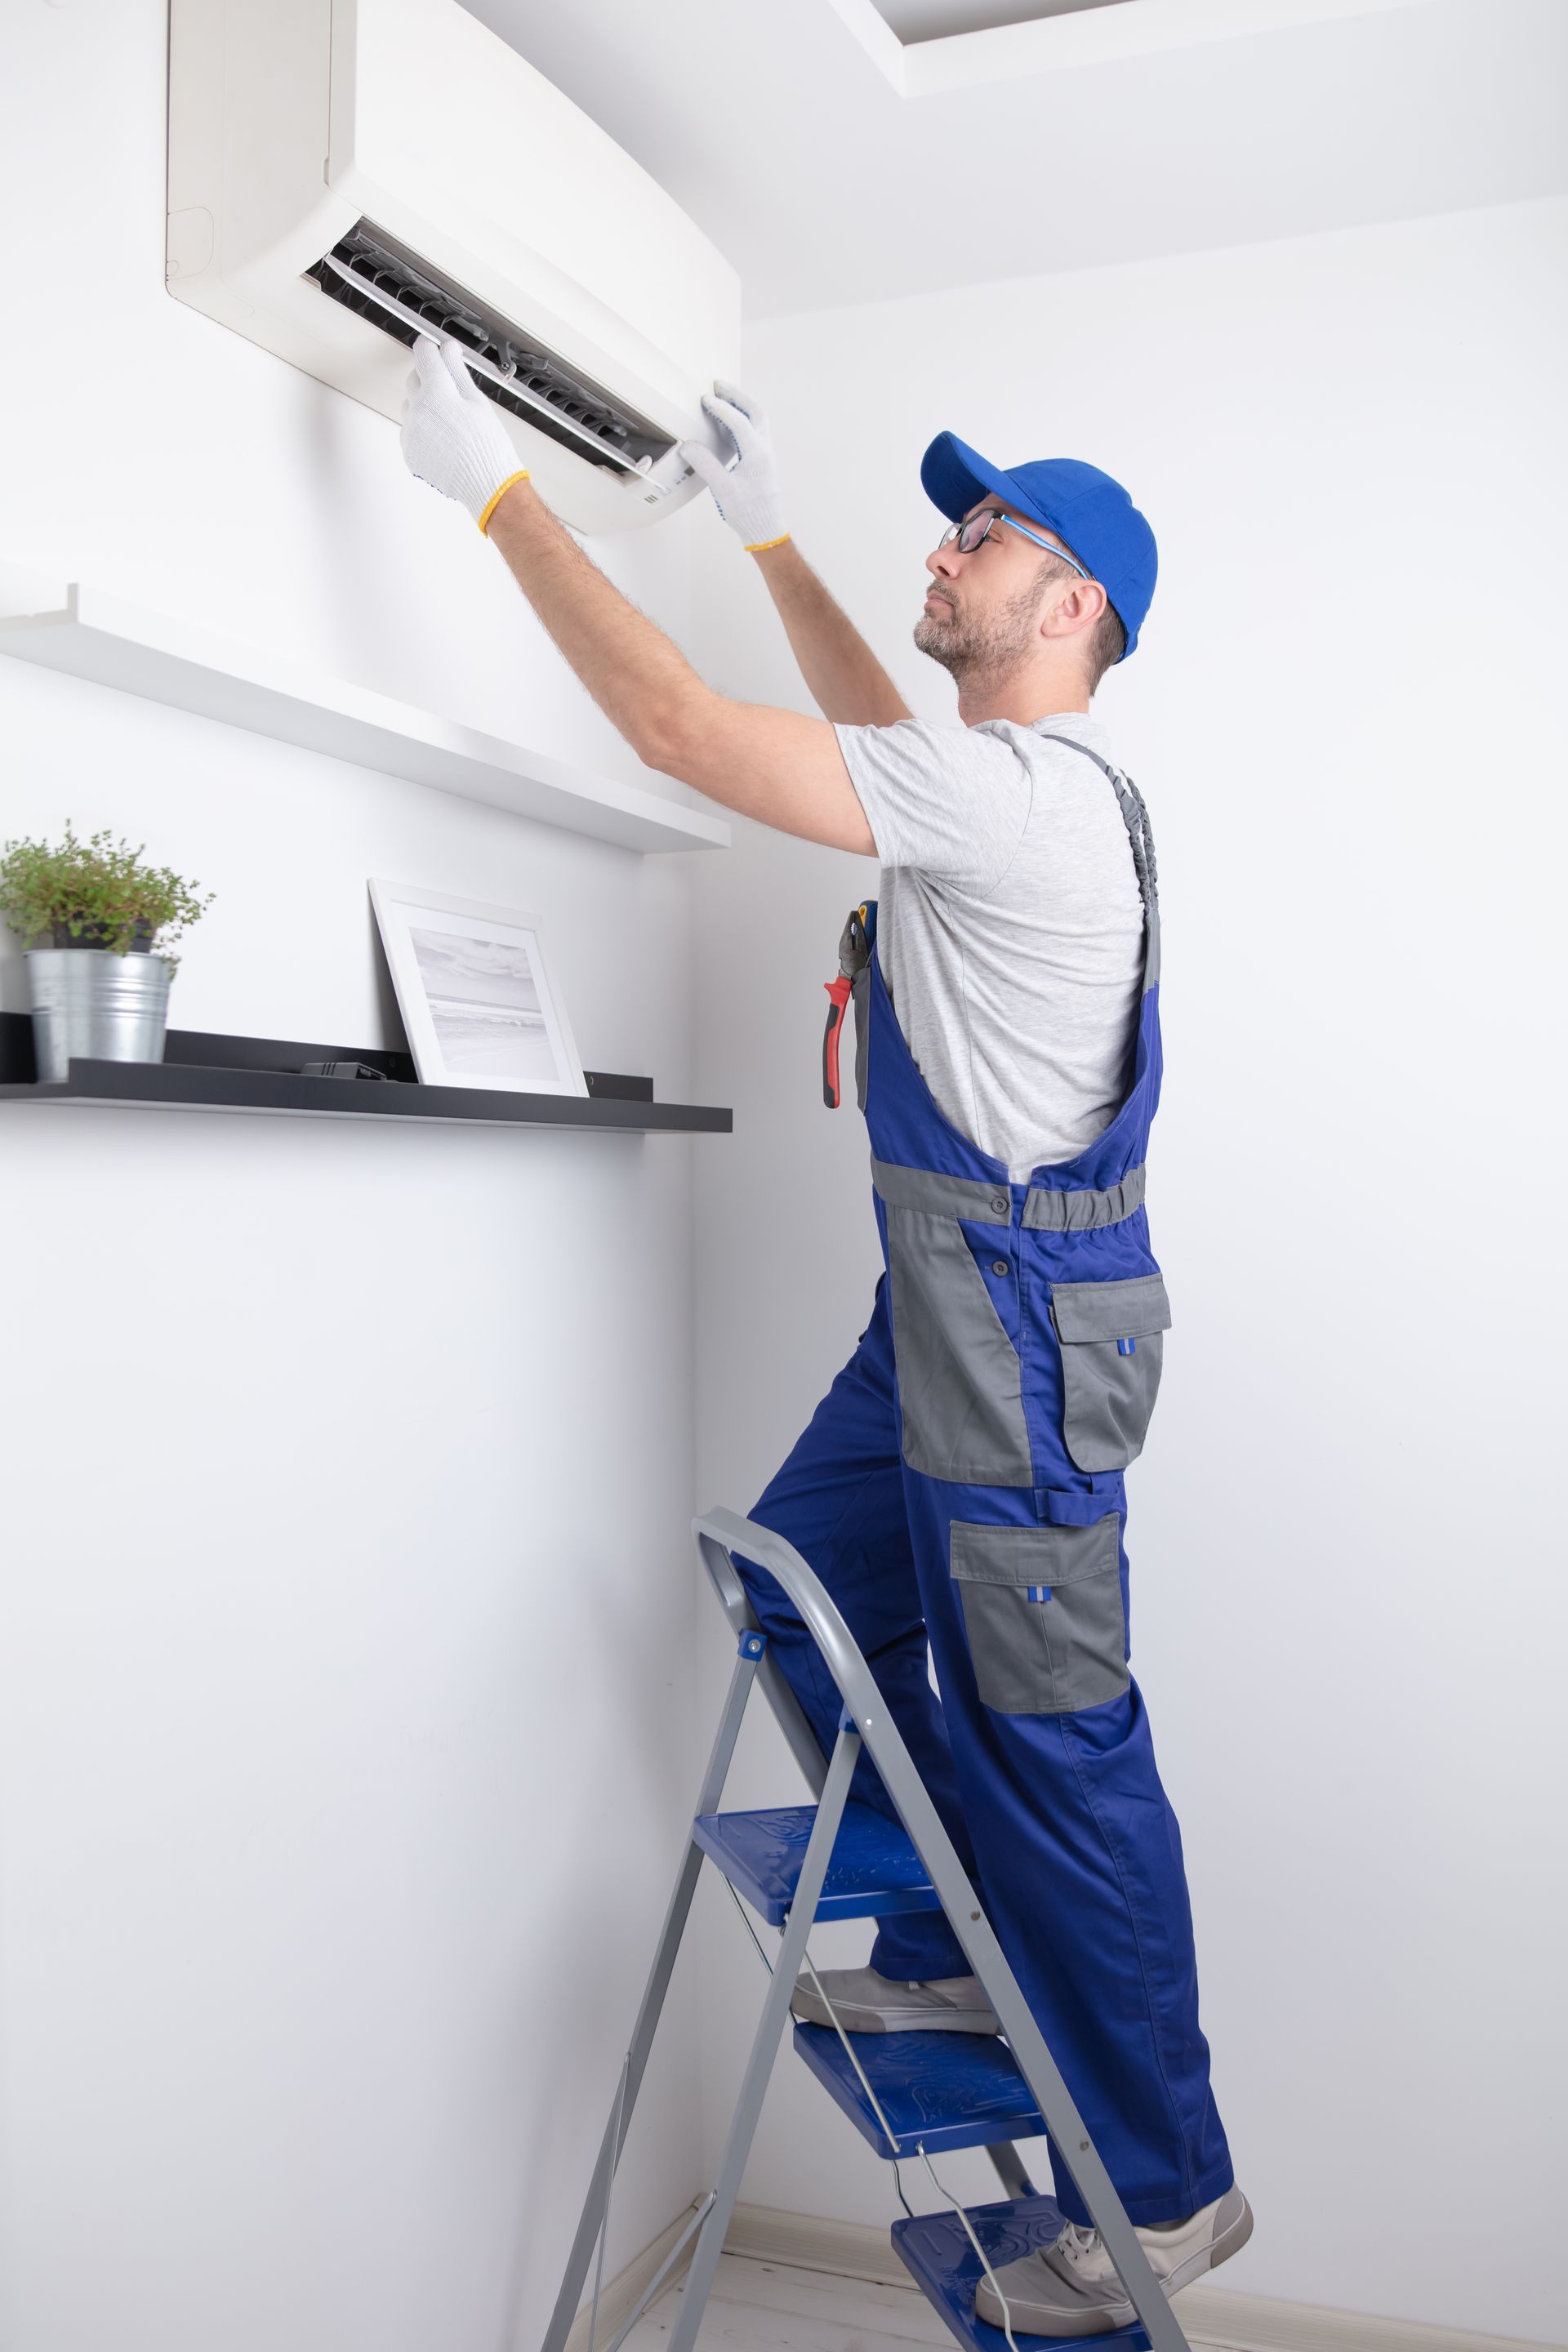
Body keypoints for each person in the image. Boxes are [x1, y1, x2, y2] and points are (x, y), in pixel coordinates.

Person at [400, 340, 1250, 2336]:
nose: (943, 551)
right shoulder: (1000, 790)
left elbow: (699, 735)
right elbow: (879, 732)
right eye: (947, 526)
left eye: (988, 535)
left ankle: (1166, 2182)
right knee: (796, 1577)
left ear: (1073, 609)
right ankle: (960, 1937)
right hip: (945, 1316)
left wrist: (496, 494)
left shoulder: (1038, 804)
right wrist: (770, 526)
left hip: (1019, 1344)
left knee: (1065, 1754)